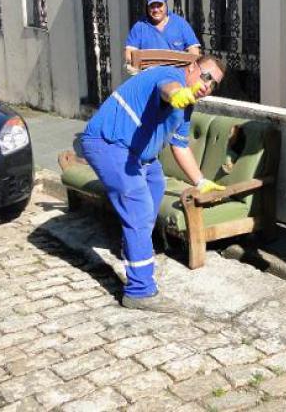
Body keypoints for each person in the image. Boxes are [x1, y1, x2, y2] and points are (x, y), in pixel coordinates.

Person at [80, 55, 225, 311]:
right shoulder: (169, 76)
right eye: (206, 76)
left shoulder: (187, 106)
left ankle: (132, 250)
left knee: (155, 187)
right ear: (192, 67)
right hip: (109, 144)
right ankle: (140, 291)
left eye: (214, 84)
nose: (207, 86)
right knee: (138, 207)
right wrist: (177, 94)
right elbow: (167, 88)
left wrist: (201, 181)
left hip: (140, 155)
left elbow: (180, 146)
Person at [124, 0, 200, 74]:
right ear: (147, 8)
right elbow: (130, 52)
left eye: (159, 5)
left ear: (166, 5)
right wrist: (132, 66)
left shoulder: (180, 24)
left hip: (177, 76)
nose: (156, 10)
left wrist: (191, 69)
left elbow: (193, 50)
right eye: (152, 6)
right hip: (149, 76)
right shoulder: (139, 26)